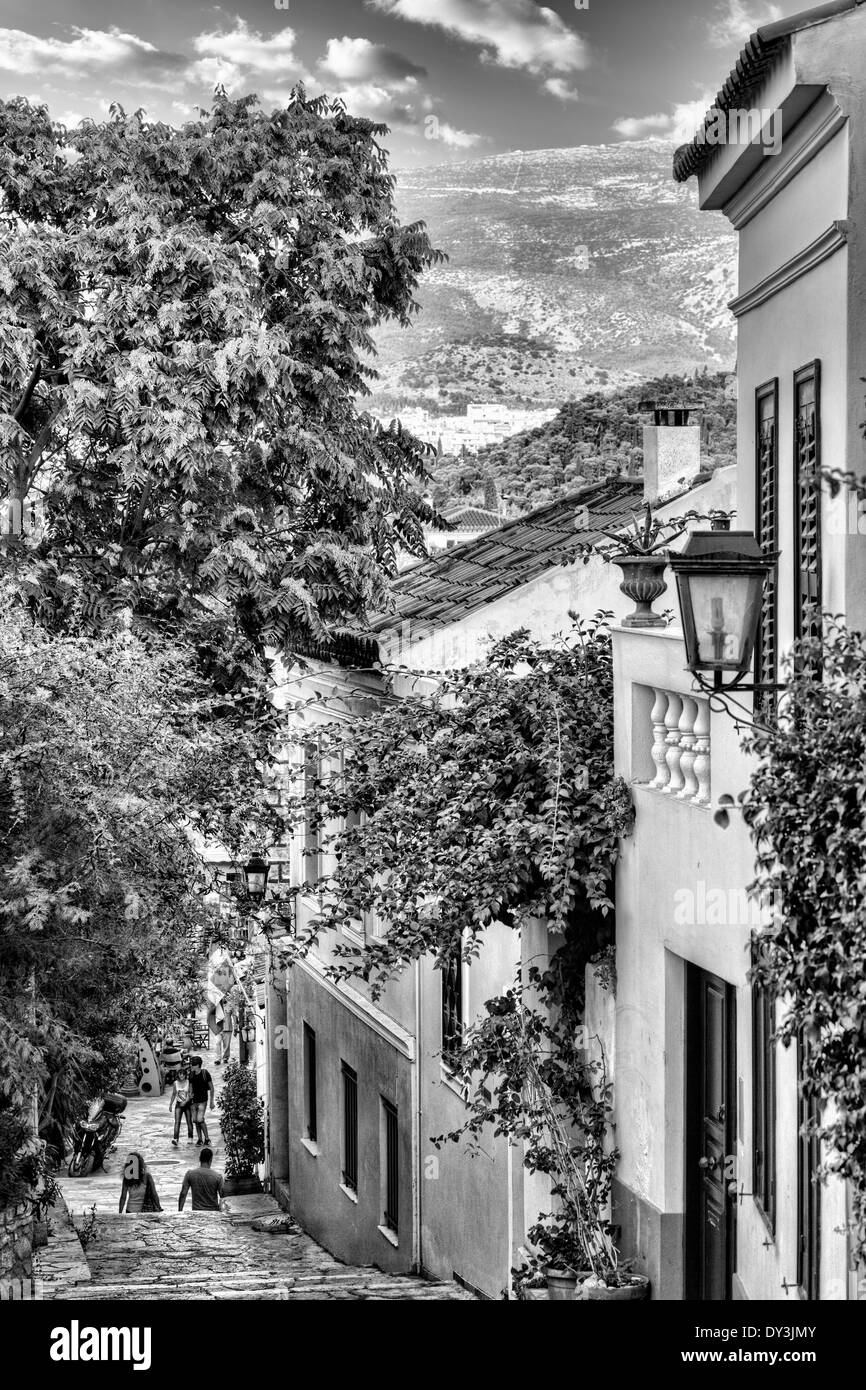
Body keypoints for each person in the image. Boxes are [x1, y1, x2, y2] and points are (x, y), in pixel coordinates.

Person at [178, 1146, 225, 1212]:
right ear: (210, 1160)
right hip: (213, 1213)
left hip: (197, 1212)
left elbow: (183, 1193)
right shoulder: (217, 1177)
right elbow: (223, 1197)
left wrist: (180, 1211)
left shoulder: (190, 1174)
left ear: (200, 1159)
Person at [188, 1055, 215, 1146]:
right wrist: (190, 1095)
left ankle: (207, 1138)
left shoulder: (205, 1073)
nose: (191, 1066)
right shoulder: (191, 1074)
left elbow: (211, 1088)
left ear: (198, 1065)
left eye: (193, 1065)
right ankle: (200, 1139)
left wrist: (211, 1102)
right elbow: (191, 1086)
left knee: (200, 1119)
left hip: (203, 1100)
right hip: (193, 1101)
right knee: (195, 1120)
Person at [169, 1064, 193, 1146]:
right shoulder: (175, 1083)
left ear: (185, 1075)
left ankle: (190, 1137)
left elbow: (190, 1094)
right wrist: (170, 1104)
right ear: (178, 1075)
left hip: (187, 1104)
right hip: (178, 1104)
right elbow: (173, 1094)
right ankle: (176, 1138)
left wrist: (185, 1102)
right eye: (180, 1074)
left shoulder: (188, 1082)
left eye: (183, 1074)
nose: (181, 1076)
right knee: (177, 1122)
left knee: (189, 1121)